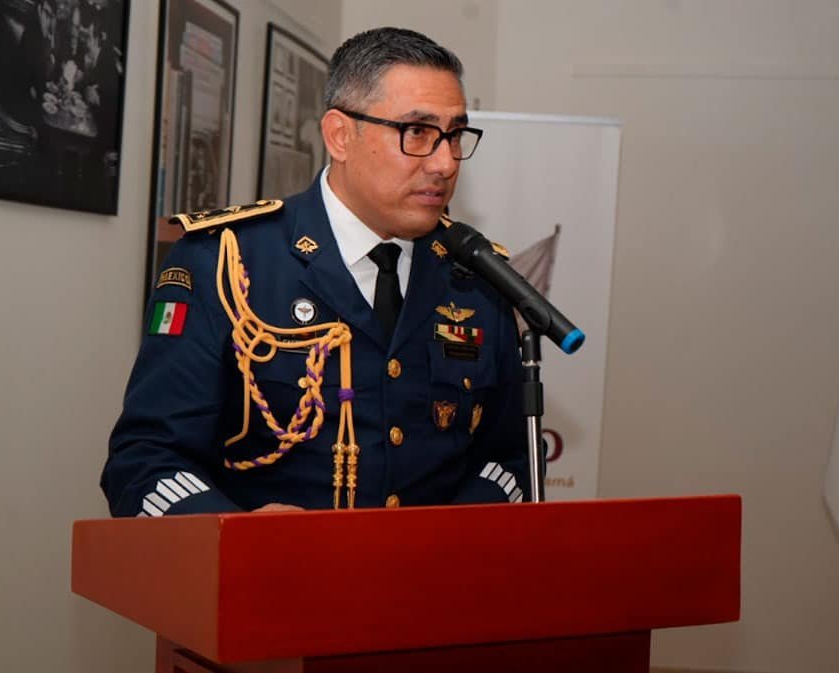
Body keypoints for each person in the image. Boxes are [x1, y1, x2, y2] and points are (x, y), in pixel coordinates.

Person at [102, 27, 529, 516]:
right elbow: (145, 459)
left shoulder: (475, 274)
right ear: (340, 135)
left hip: (434, 585)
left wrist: (454, 541)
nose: (445, 162)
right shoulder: (224, 259)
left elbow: (511, 456)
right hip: (271, 584)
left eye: (455, 135)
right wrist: (237, 537)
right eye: (418, 133)